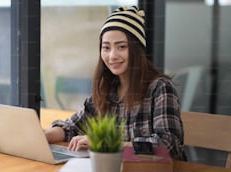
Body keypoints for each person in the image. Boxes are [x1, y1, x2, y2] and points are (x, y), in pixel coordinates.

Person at [44, 5, 186, 160]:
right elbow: (73, 127)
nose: (112, 56)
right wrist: (45, 136)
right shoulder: (107, 90)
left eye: (121, 47)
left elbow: (168, 146)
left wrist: (106, 143)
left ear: (137, 50)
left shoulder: (160, 88)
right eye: (106, 48)